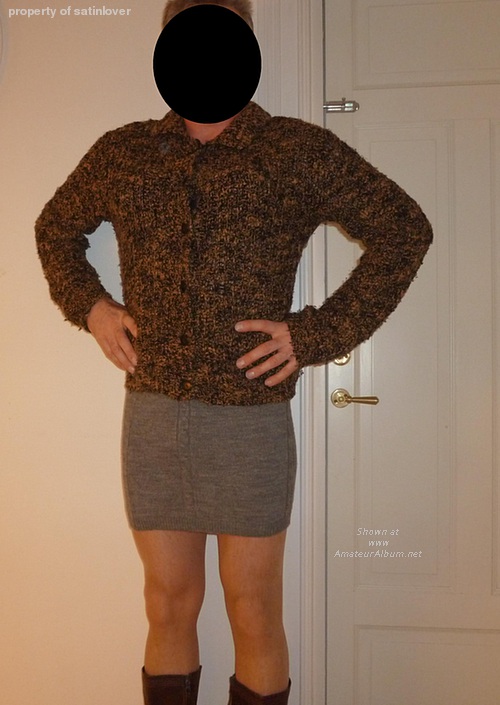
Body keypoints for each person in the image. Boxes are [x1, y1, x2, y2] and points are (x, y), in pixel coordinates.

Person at [35, 1, 433, 704]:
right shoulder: (126, 152)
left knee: (253, 609)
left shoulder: (294, 149)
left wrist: (314, 334)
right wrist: (92, 306)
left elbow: (405, 229)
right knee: (166, 603)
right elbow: (55, 229)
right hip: (156, 415)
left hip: (251, 420)